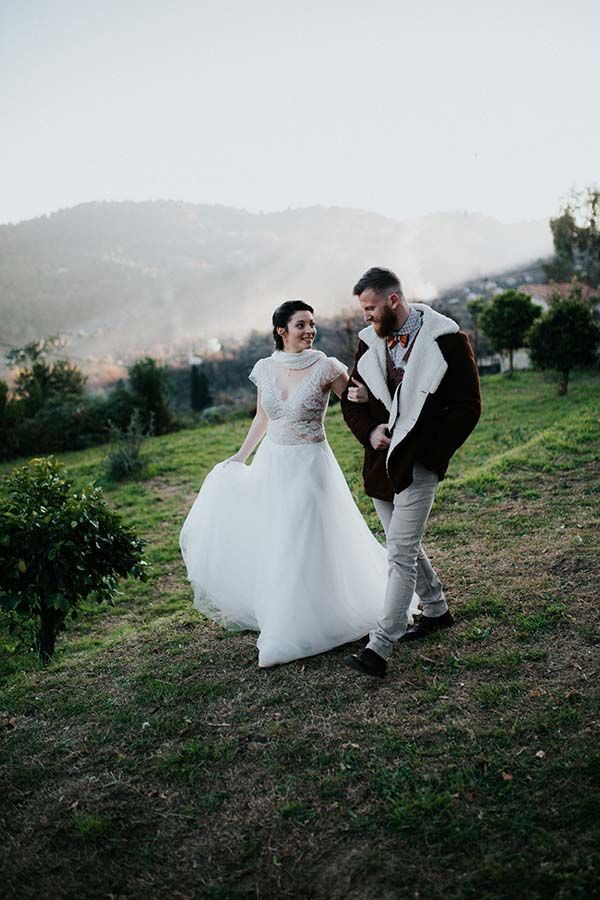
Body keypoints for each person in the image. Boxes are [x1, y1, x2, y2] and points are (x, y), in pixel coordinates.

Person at [180, 299, 418, 668]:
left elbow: (354, 400)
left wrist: (363, 397)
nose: (310, 330)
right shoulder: (264, 368)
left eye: (312, 324)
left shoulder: (326, 365)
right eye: (301, 324)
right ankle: (284, 617)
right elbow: (263, 416)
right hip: (273, 464)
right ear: (281, 331)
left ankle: (292, 631)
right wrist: (240, 457)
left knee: (303, 537)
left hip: (312, 465)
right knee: (279, 540)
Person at [340, 267, 482, 678]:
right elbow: (351, 401)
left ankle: (380, 645)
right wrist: (369, 430)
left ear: (393, 301)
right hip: (380, 466)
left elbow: (468, 407)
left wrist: (430, 455)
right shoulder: (368, 344)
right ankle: (435, 610)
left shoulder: (448, 341)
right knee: (404, 545)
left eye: (370, 308)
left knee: (399, 552)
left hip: (418, 466)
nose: (365, 316)